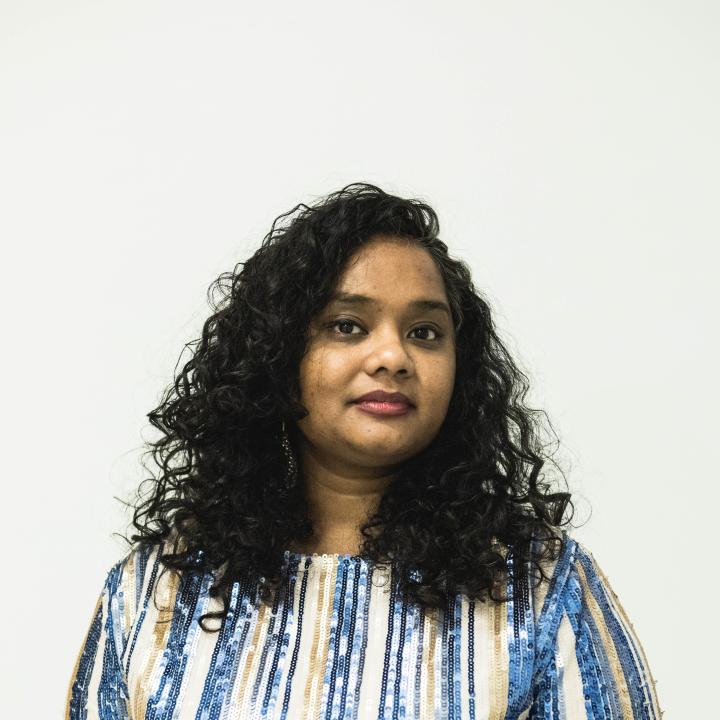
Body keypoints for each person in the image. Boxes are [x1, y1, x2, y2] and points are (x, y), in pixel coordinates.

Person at [65, 182, 663, 719]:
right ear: (276, 356)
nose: (393, 357)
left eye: (424, 333)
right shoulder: (155, 589)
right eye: (348, 325)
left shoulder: (541, 588)